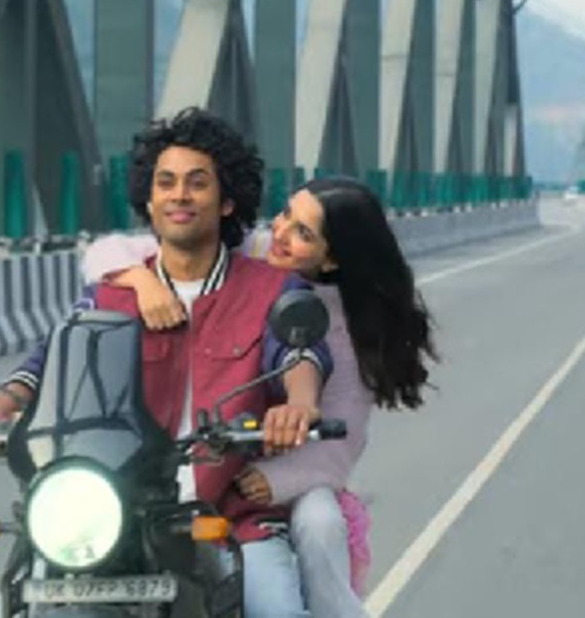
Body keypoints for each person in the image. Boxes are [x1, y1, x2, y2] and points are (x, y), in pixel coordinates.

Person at [0, 107, 334, 617]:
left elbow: (300, 353)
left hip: (229, 518)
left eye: (197, 183)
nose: (179, 195)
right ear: (149, 200)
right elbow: (42, 368)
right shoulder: (110, 297)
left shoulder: (270, 289)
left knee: (278, 610)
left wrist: (299, 406)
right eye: (166, 182)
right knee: (6, 610)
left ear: (227, 201)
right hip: (116, 521)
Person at [82, 176, 438, 617]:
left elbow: (339, 444)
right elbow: (104, 252)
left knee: (320, 524)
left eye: (303, 233)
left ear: (331, 258)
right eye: (286, 214)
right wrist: (142, 280)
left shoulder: (346, 331)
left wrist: (276, 479)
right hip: (211, 459)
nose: (282, 233)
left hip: (287, 473)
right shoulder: (253, 252)